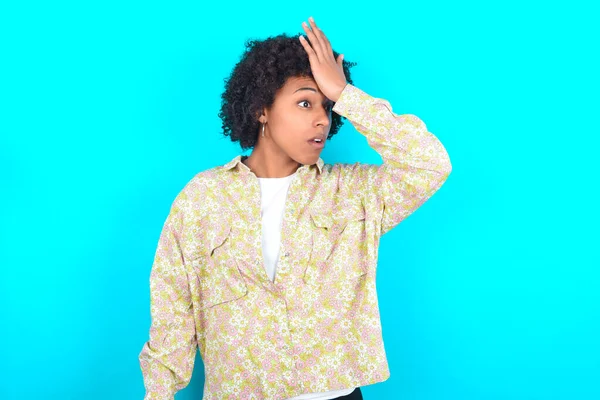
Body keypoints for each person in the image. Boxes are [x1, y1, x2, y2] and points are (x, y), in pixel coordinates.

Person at [139, 16, 452, 400]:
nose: (322, 118)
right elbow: (172, 307)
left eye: (328, 107)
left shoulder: (353, 191)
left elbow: (429, 164)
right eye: (305, 102)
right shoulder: (204, 197)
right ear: (261, 110)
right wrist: (159, 393)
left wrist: (344, 94)